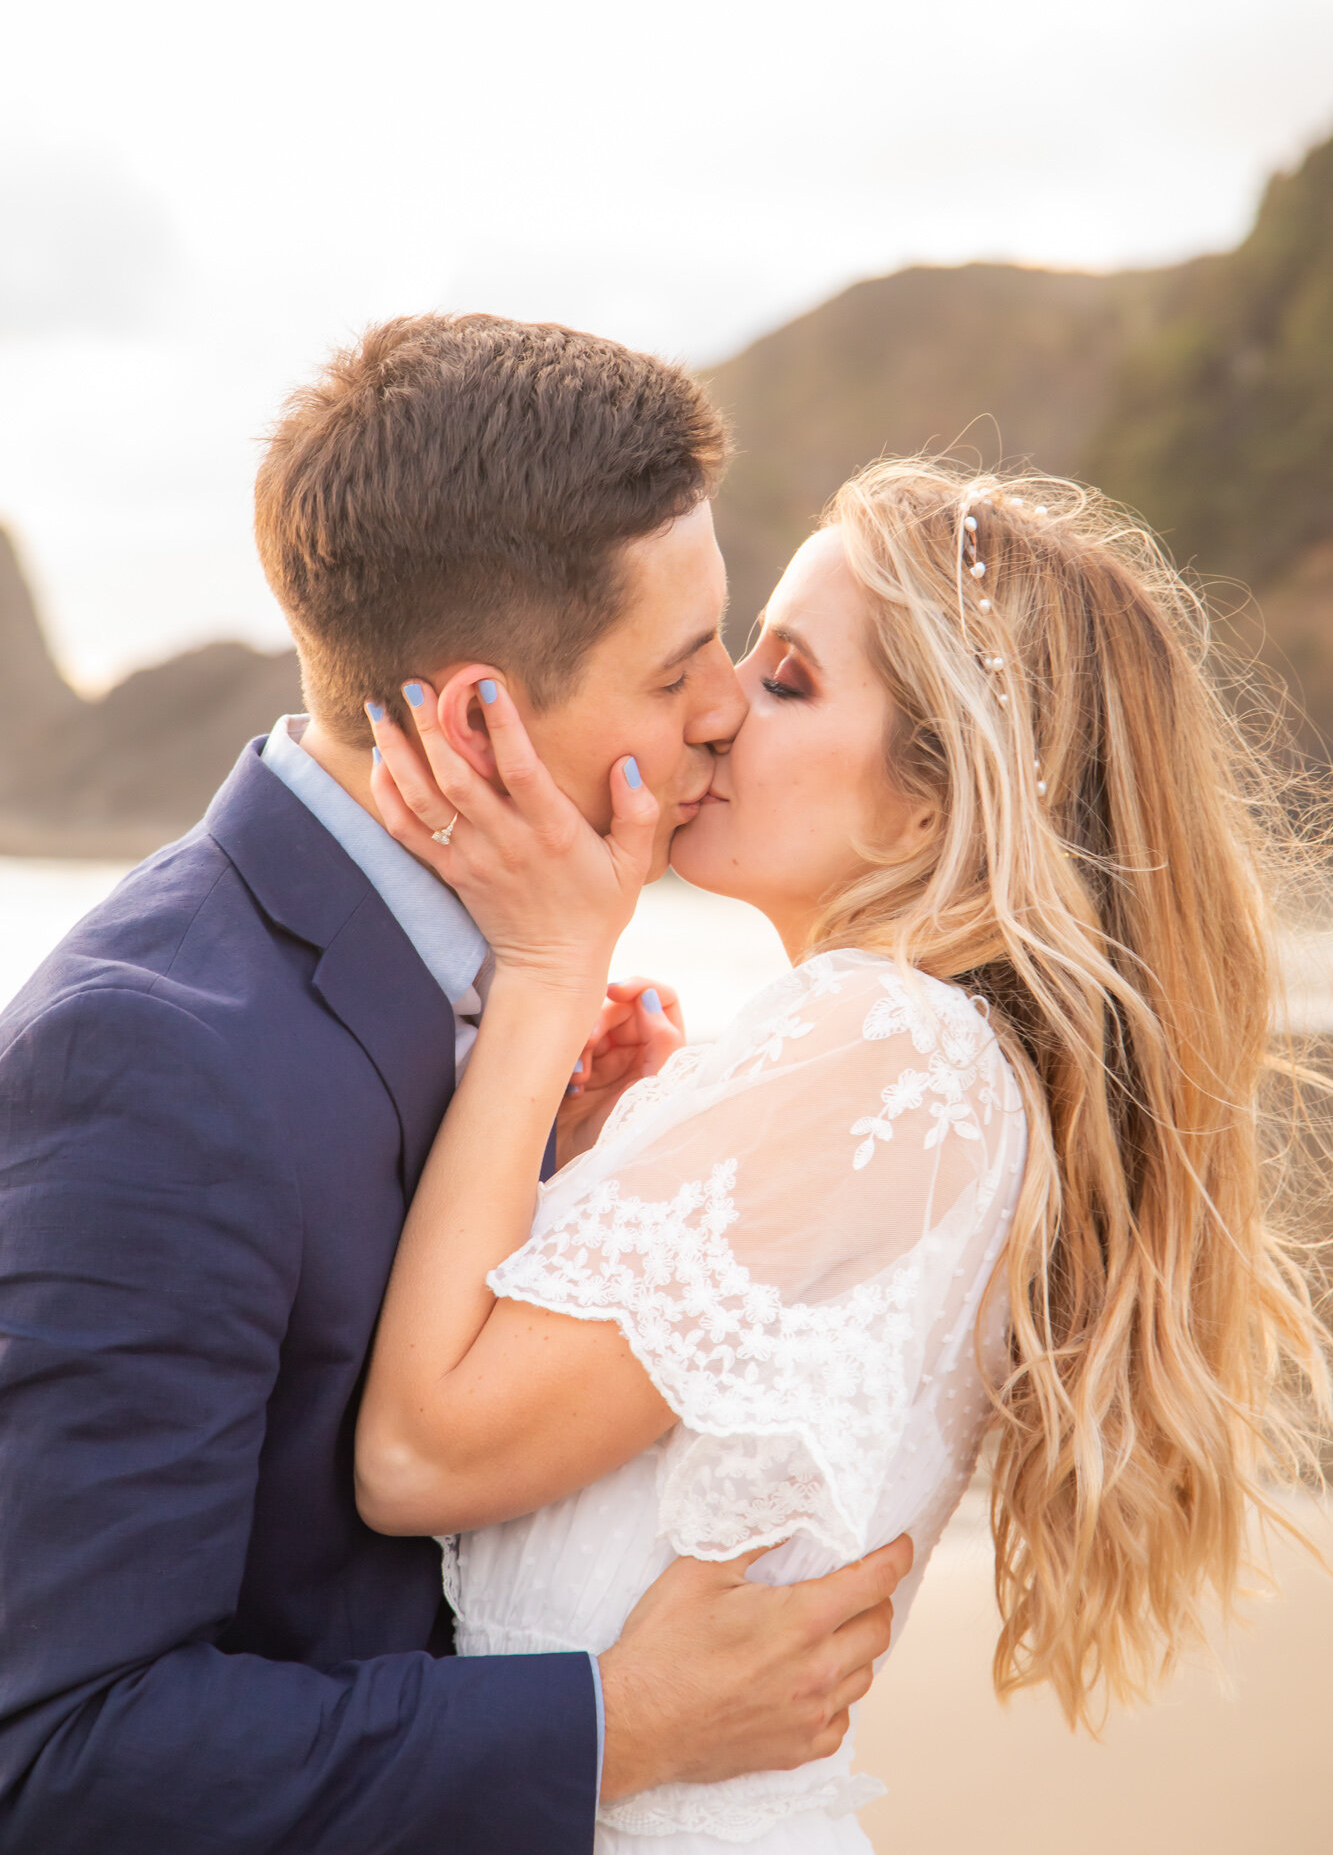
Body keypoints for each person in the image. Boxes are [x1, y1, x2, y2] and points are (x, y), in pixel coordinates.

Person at [0, 316, 912, 1854]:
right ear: (478, 717)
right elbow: (63, 1754)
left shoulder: (501, 981)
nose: (721, 713)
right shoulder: (150, 1059)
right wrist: (622, 1724)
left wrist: (567, 1163)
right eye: (681, 666)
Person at [355, 455, 1333, 1853]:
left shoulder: (889, 1047)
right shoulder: (919, 1067)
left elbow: (415, 1456)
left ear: (937, 801)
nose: (713, 708)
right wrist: (576, 1157)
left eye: (787, 680)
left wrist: (544, 971)